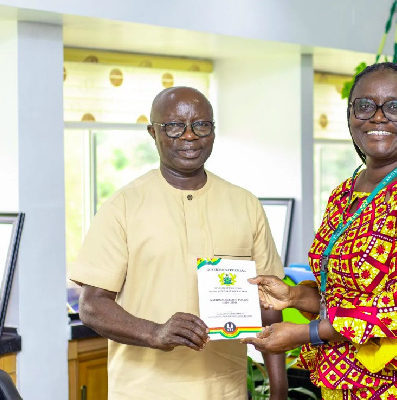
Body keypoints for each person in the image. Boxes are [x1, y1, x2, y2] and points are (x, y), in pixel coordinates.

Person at [242, 62, 397, 399]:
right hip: (343, 378)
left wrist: (304, 333)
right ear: (350, 114)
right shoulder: (344, 192)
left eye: (395, 107)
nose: (378, 117)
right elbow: (343, 297)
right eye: (365, 105)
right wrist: (293, 296)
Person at [68, 86, 288, 399]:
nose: (189, 136)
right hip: (143, 391)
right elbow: (91, 305)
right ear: (152, 132)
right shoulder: (124, 205)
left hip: (227, 390)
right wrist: (154, 332)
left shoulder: (245, 204)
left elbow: (269, 305)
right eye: (173, 126)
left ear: (213, 131)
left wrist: (279, 388)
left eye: (201, 125)